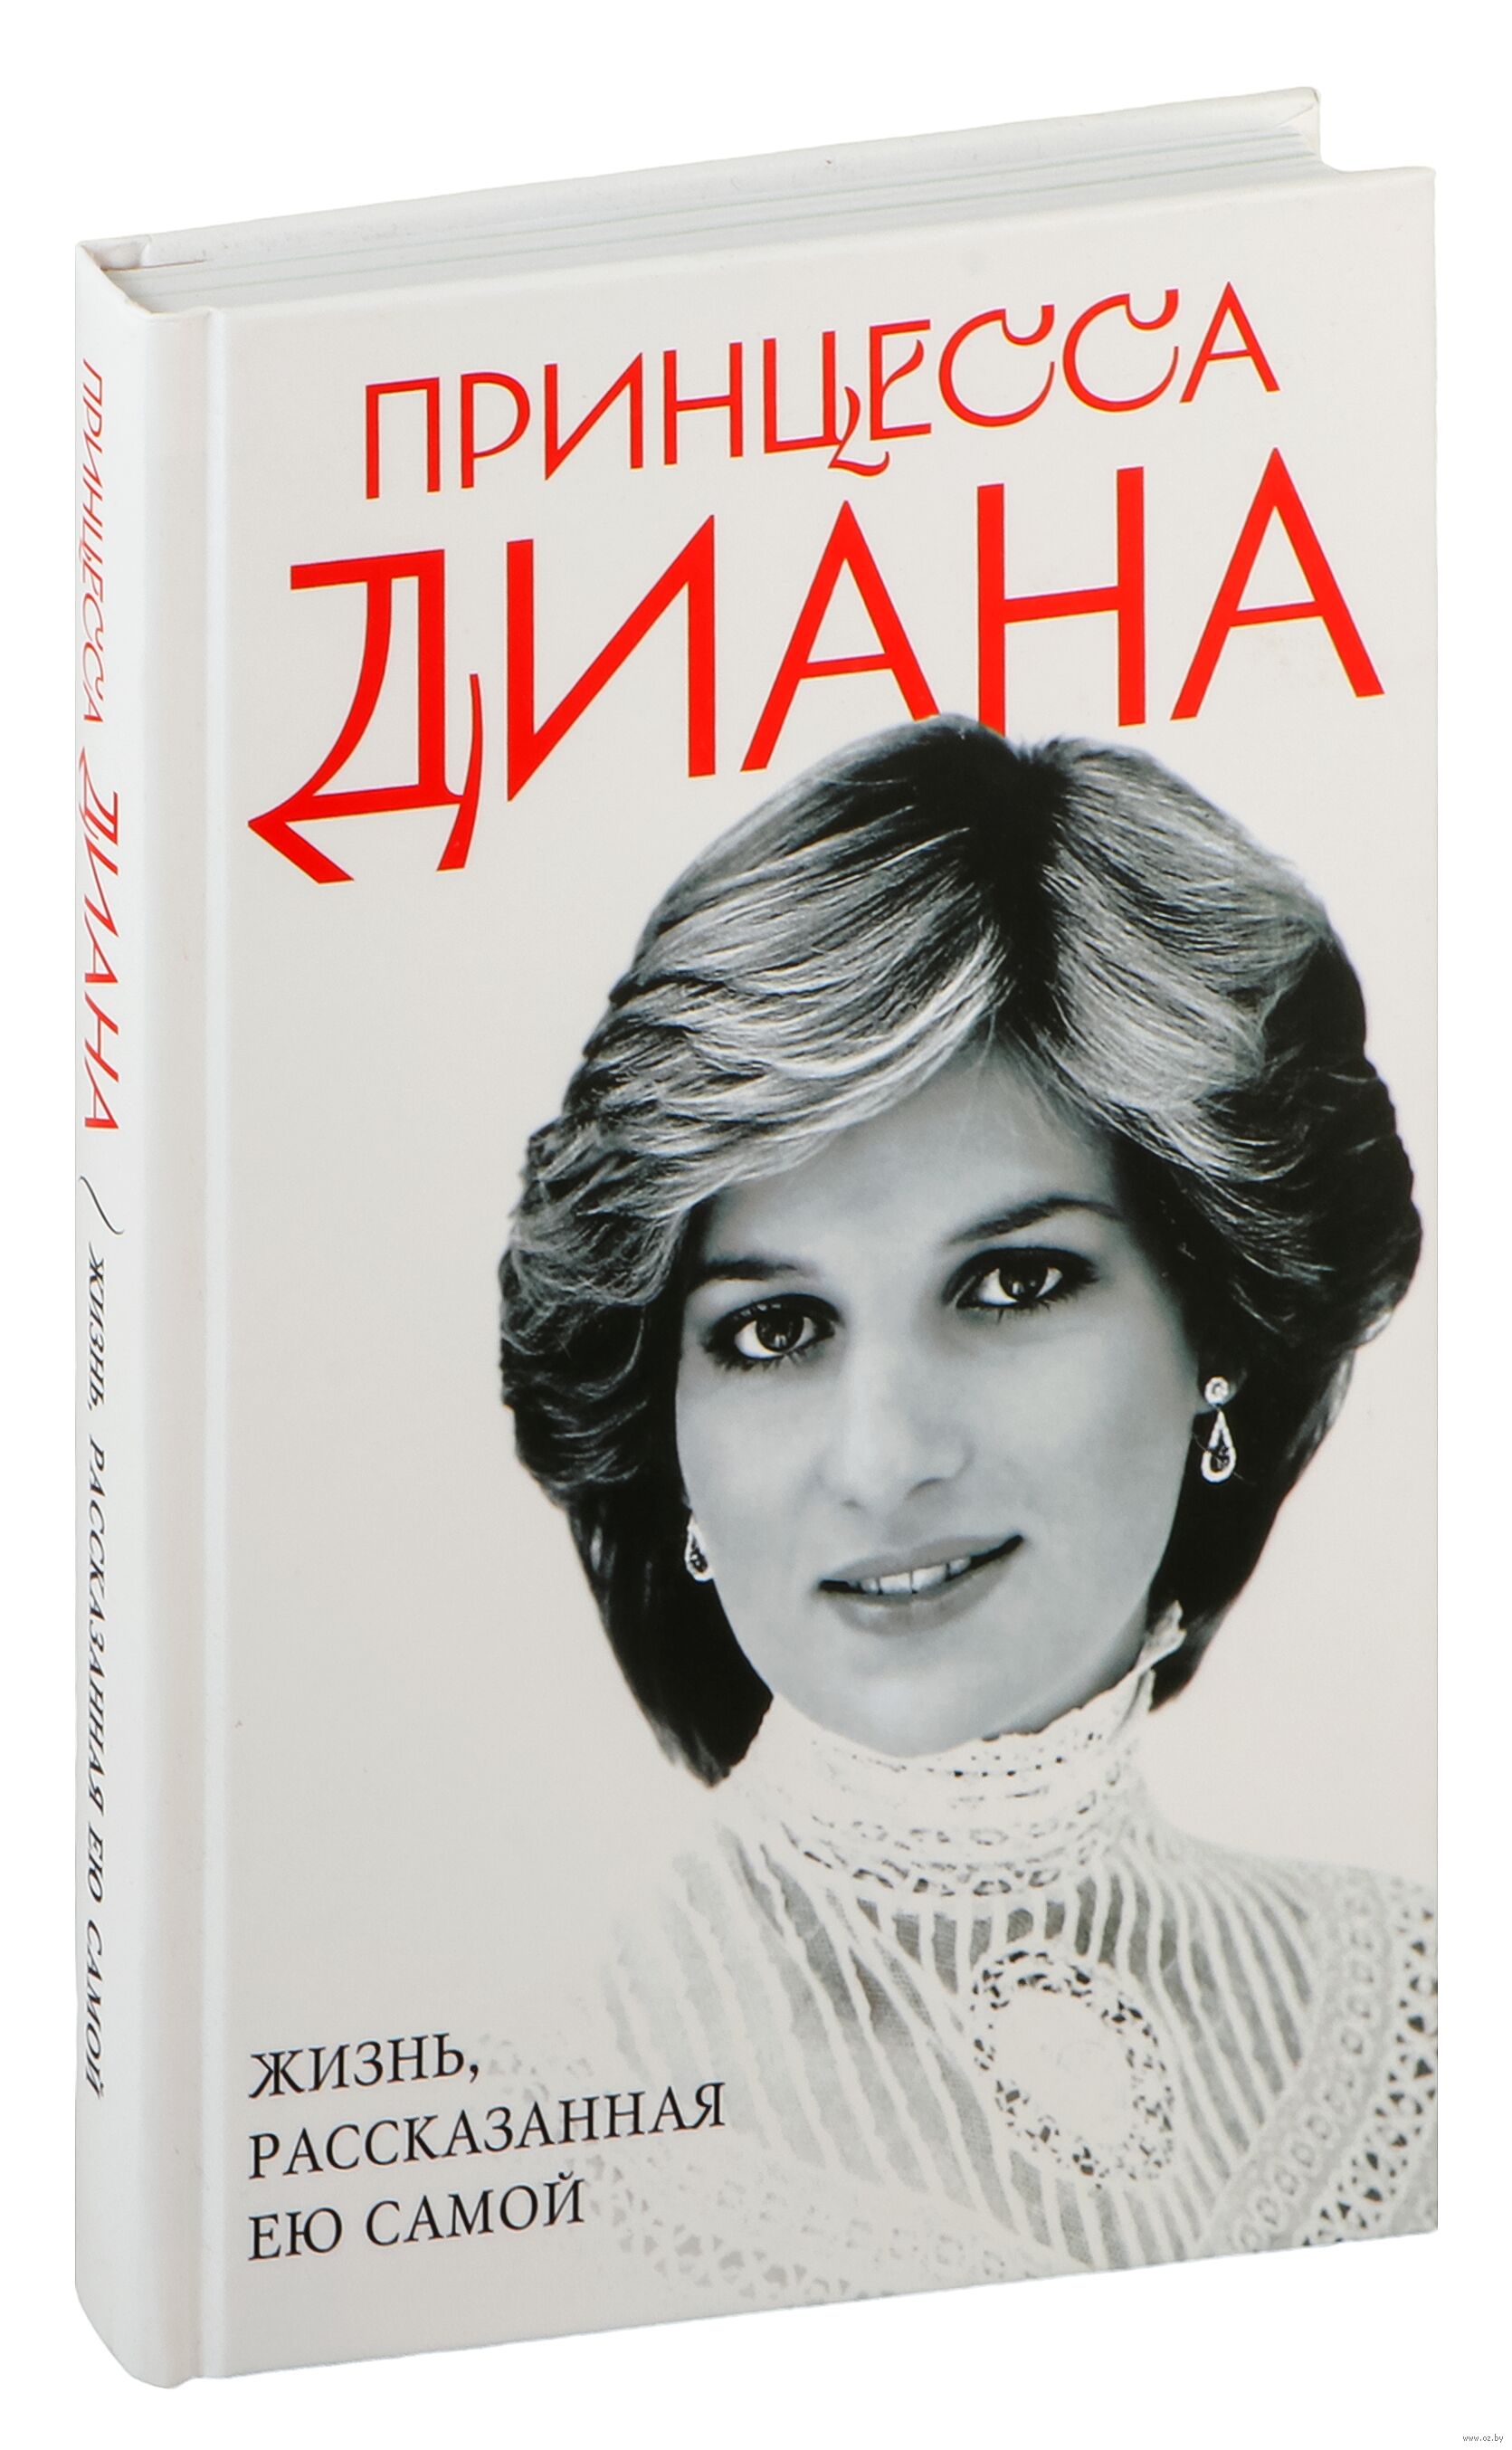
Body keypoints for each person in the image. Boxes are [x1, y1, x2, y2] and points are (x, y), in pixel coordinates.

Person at [499, 716, 1435, 2303]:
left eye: (1013, 1283)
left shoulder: (1423, 2008)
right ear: (668, 1430)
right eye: (774, 1330)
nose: (885, 1460)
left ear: (1218, 1328)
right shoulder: (544, 2100)